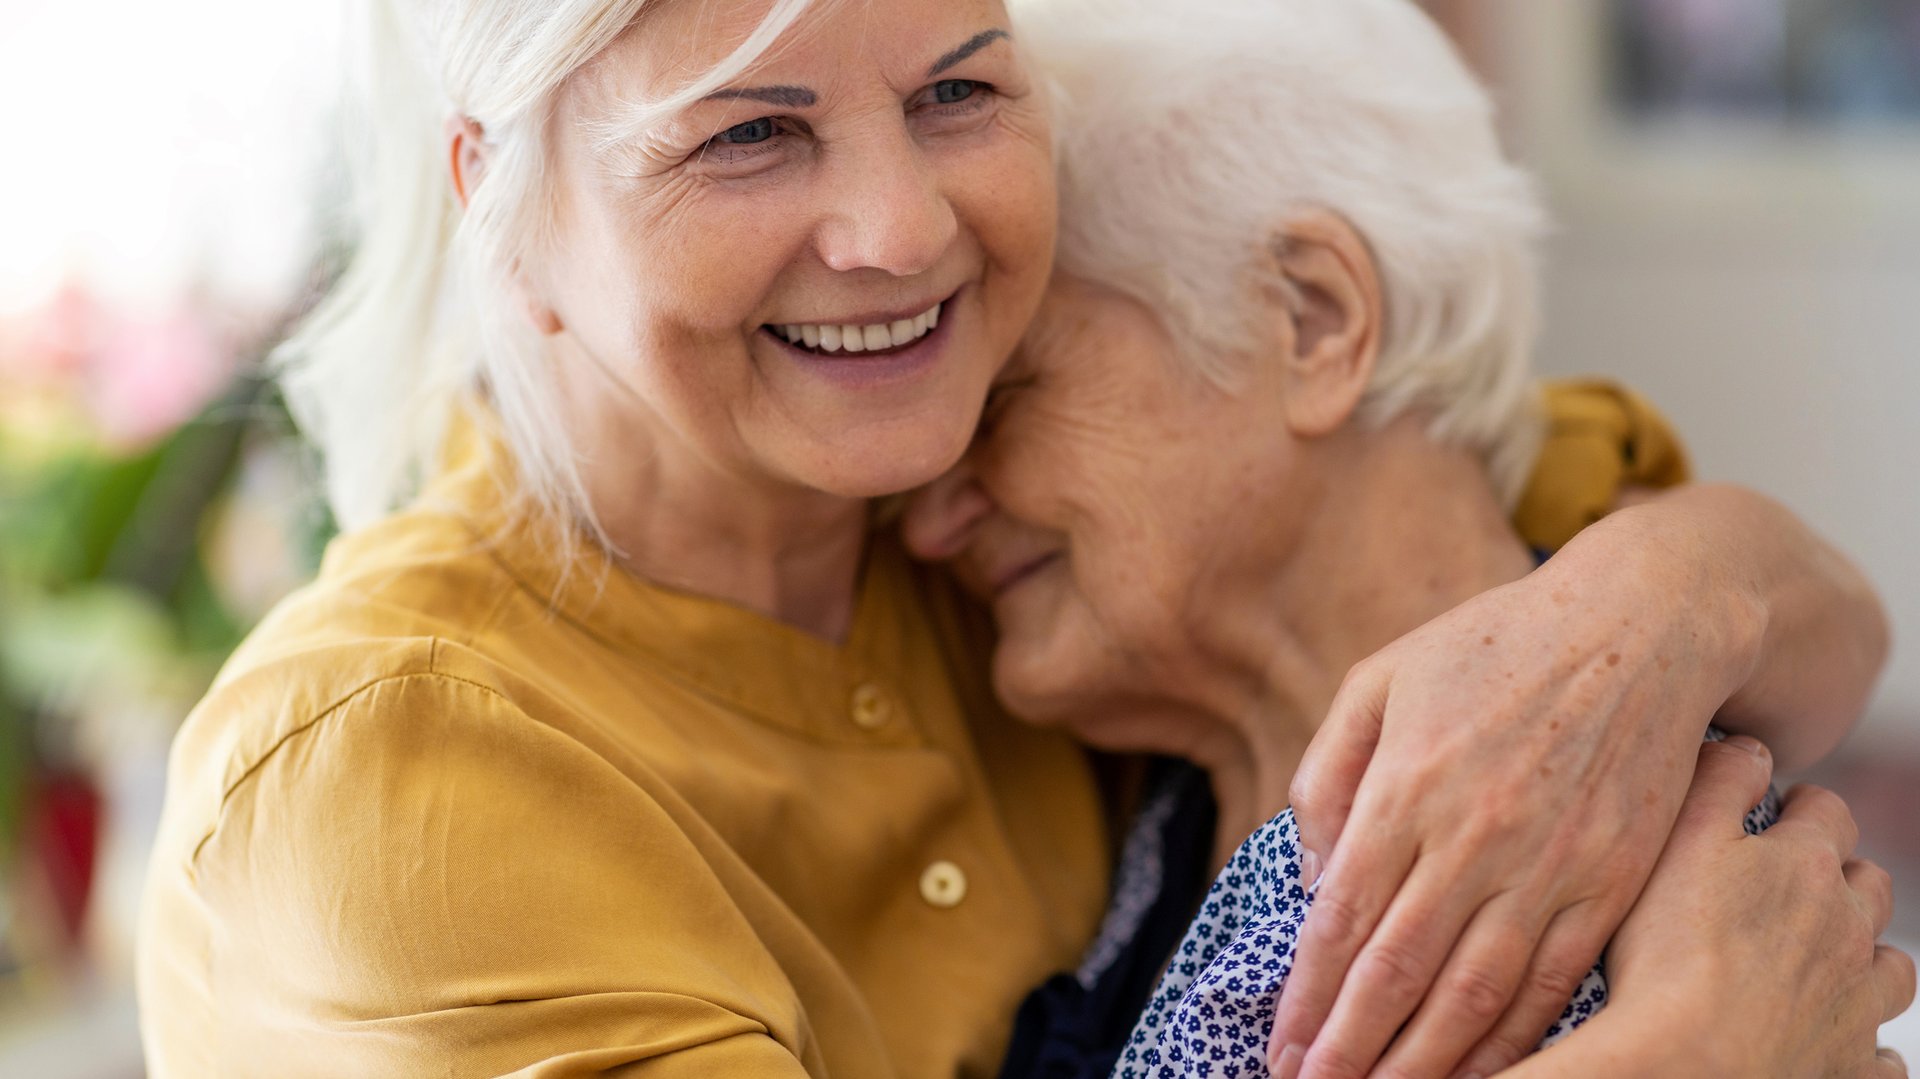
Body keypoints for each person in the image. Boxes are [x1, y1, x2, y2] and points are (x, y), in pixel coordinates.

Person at [135, 0, 1896, 1074]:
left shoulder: (946, 524)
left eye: (961, 92)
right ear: (499, 199)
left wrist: (1676, 596)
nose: (900, 236)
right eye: (748, 134)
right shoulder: (386, 772)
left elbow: (1651, 552)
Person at [901, 0, 1911, 1075]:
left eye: (1005, 395)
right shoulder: (1152, 813)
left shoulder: (1632, 844)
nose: (927, 515)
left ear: (1314, 316)